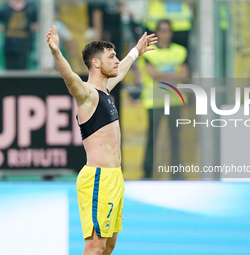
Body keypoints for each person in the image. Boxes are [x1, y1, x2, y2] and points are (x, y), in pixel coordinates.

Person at [46, 26, 157, 254]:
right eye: (111, 57)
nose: (116, 61)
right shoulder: (87, 94)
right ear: (96, 63)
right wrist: (57, 53)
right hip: (98, 178)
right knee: (95, 247)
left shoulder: (105, 91)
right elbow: (69, 77)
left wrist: (136, 51)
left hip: (115, 177)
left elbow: (123, 69)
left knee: (108, 247)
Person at [138, 19, 189, 179]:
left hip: (175, 101)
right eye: (162, 30)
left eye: (167, 30)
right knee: (152, 139)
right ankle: (147, 173)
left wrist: (162, 75)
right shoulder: (149, 51)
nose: (165, 34)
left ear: (171, 33)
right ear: (157, 33)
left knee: (175, 138)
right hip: (154, 101)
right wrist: (173, 76)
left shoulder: (180, 51)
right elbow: (152, 75)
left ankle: (176, 174)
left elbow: (184, 75)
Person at [0, 0, 38, 70]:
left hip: (24, 46)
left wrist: (32, 30)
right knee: (9, 71)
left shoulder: (29, 9)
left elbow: (37, 22)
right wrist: (2, 29)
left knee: (22, 71)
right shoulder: (5, 9)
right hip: (9, 46)